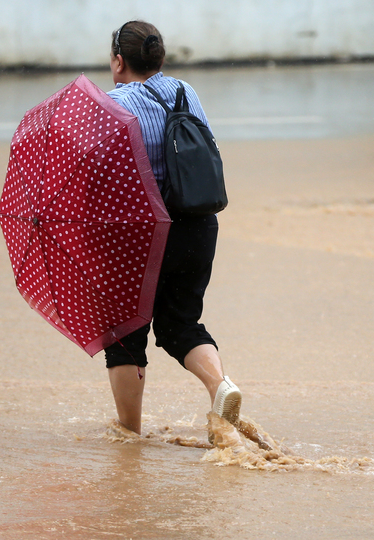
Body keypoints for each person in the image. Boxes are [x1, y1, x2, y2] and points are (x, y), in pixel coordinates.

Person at [104, 20, 242, 436]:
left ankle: (129, 435)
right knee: (180, 324)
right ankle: (221, 386)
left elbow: (107, 181)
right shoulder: (186, 92)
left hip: (144, 234)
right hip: (199, 225)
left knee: (126, 334)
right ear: (159, 58)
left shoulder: (110, 107)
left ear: (117, 61)